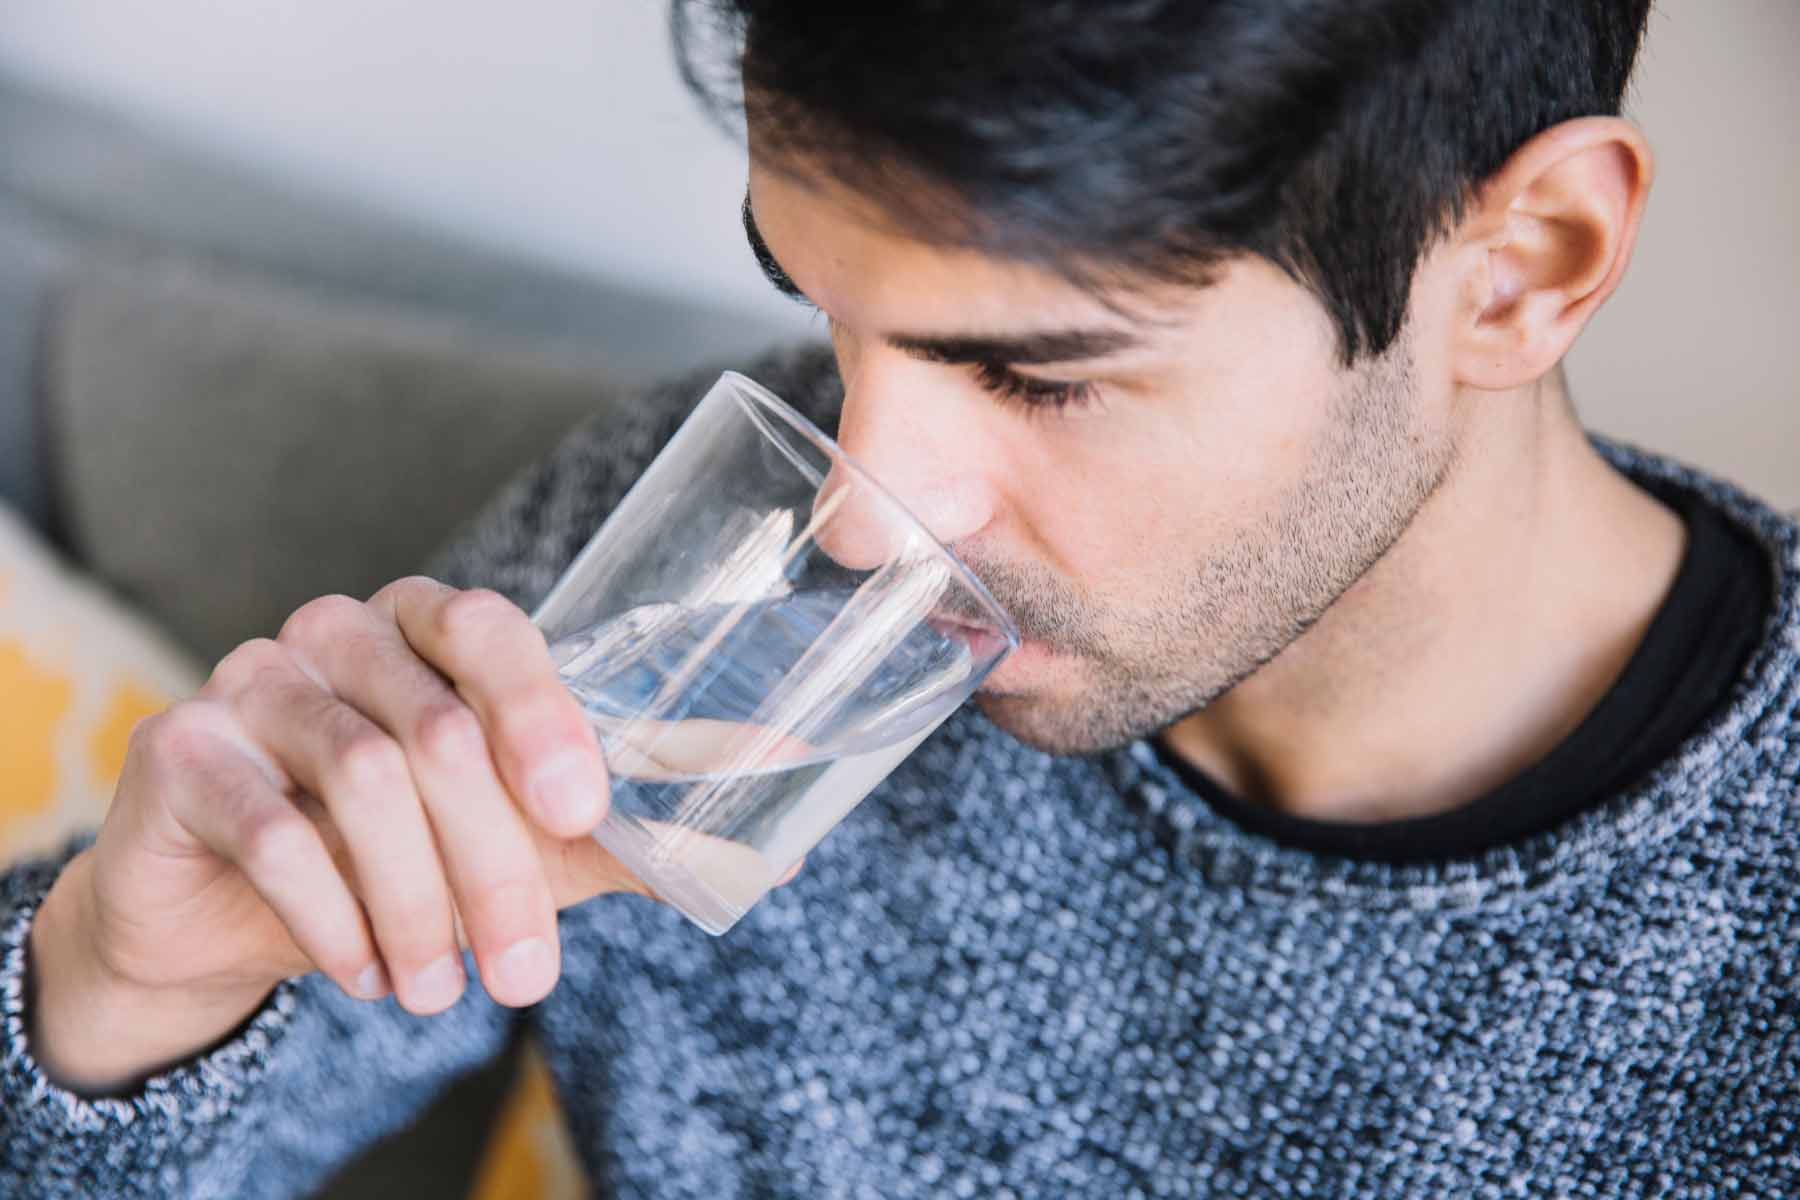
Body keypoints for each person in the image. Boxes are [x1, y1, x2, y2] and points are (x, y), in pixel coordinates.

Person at [5, 1, 1796, 1194]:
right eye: (832, 314)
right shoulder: (697, 586)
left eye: (1037, 376)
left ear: (1521, 269)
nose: (862, 518)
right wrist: (116, 981)